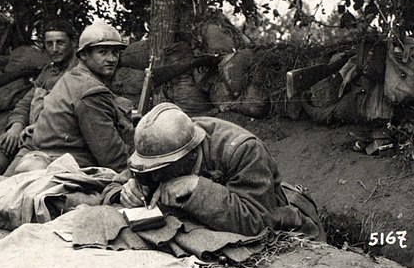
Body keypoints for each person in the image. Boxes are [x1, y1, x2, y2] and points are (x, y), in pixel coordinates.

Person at [103, 102, 325, 239]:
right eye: (149, 168)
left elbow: (258, 221)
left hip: (278, 208)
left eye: (162, 168)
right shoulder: (161, 146)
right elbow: (115, 183)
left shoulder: (242, 149)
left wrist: (197, 187)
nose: (155, 176)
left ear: (191, 154)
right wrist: (125, 190)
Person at [5, 20, 134, 175]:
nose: (112, 59)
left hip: (49, 160)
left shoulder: (73, 78)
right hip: (69, 168)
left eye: (115, 52)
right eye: (103, 52)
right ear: (84, 54)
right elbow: (112, 158)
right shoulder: (91, 90)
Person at [0, 19, 78, 173]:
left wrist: (35, 127)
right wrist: (16, 126)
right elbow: (25, 103)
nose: (55, 49)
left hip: (54, 142)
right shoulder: (48, 72)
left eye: (60, 43)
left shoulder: (79, 73)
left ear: (73, 42)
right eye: (49, 44)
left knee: (8, 182)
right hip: (30, 135)